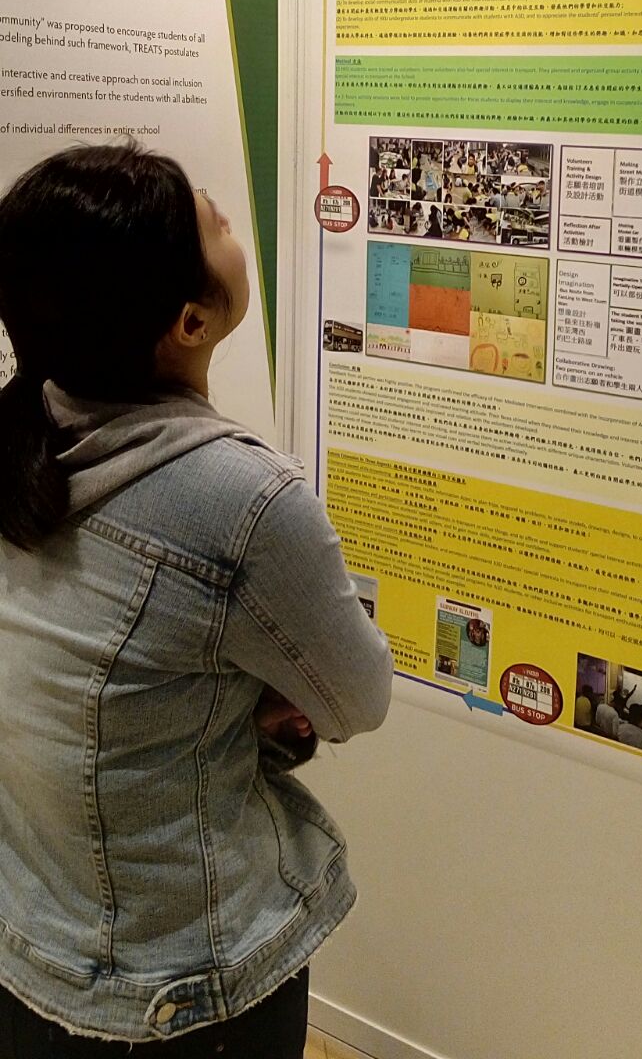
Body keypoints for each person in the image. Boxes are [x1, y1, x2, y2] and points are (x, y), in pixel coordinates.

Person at [0, 143, 393, 1053]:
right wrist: (257, 701)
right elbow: (358, 698)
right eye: (213, 222)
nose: (222, 211)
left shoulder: (25, 439)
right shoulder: (242, 502)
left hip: (32, 935)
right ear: (189, 322)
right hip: (177, 986)